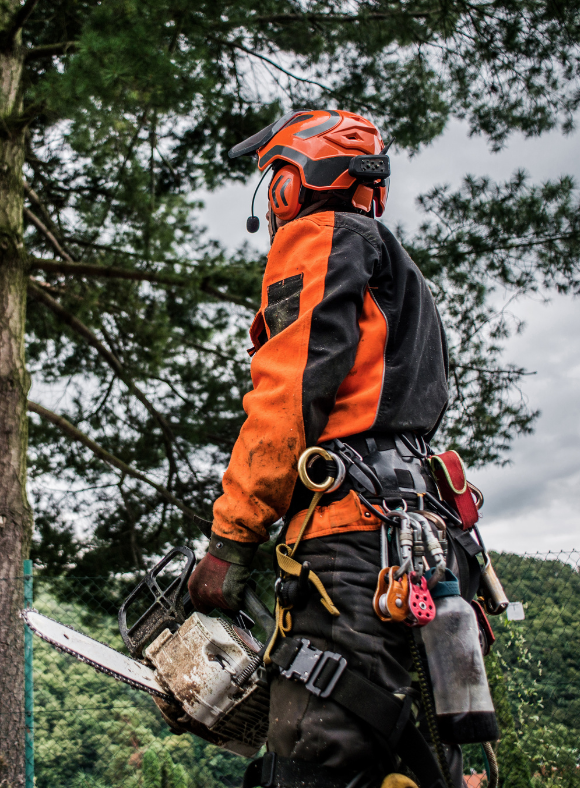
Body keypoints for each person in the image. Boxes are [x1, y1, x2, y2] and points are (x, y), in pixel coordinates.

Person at [187, 110, 489, 788]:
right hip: (423, 541)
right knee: (413, 760)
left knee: (313, 762)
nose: (273, 201)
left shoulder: (318, 239)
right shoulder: (398, 269)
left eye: (275, 181)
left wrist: (230, 540)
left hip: (351, 545)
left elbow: (285, 399)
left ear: (296, 181)